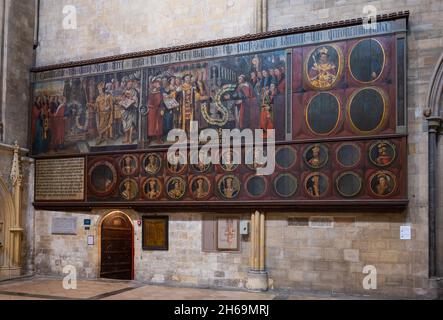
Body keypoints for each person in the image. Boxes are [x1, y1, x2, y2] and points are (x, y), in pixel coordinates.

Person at [147, 77, 164, 144]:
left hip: (158, 109)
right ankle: (151, 138)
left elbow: (162, 100)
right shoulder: (150, 91)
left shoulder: (160, 90)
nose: (157, 84)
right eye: (155, 83)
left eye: (157, 82)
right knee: (151, 125)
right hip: (152, 110)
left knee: (159, 125)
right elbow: (149, 100)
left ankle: (158, 139)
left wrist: (162, 109)